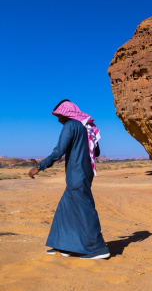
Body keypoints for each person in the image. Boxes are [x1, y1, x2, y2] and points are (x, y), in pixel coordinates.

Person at [29, 100, 110, 259]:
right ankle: (64, 245)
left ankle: (99, 248)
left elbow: (58, 151)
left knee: (85, 210)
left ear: (66, 113)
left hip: (76, 175)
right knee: (65, 209)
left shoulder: (70, 126)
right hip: (85, 173)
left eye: (59, 116)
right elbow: (97, 152)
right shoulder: (87, 127)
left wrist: (39, 167)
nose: (58, 120)